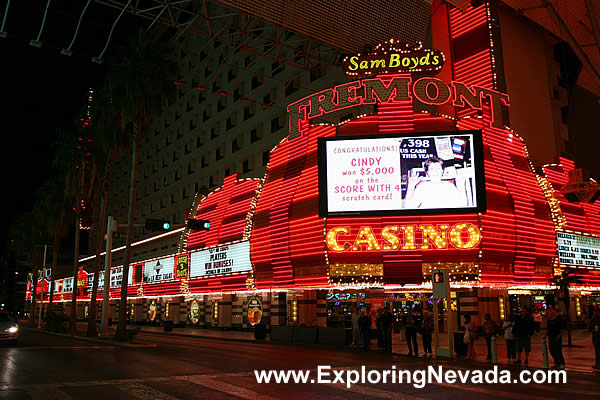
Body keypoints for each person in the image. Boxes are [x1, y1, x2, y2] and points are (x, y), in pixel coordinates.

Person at [545, 305, 565, 369]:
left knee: (558, 351)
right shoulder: (549, 321)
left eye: (551, 313)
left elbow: (561, 329)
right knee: (552, 351)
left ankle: (562, 363)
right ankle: (556, 362)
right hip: (551, 337)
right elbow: (548, 329)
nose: (550, 314)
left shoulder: (558, 320)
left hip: (557, 338)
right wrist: (545, 336)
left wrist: (559, 335)